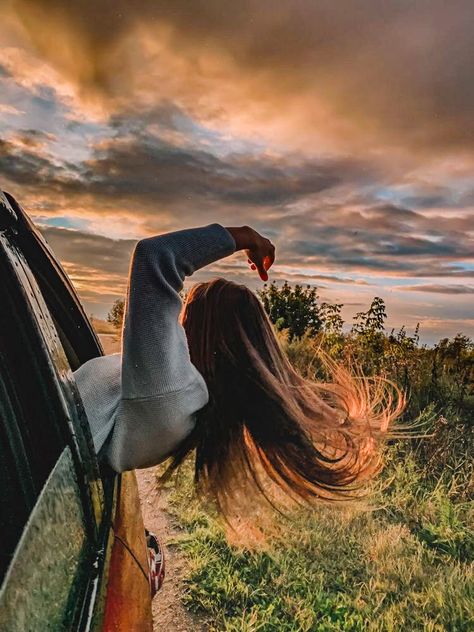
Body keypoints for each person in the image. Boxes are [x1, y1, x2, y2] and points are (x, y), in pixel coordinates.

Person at [74, 223, 403, 516]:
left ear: (203, 327)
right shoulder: (177, 398)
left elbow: (153, 256)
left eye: (187, 308)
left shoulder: (170, 391)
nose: (176, 319)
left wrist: (243, 237)